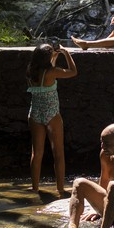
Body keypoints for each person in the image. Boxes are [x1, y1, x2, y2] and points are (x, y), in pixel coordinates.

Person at [26, 42, 78, 197]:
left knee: (37, 153)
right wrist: (66, 53)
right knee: (58, 153)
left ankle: (34, 187)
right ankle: (60, 189)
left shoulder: (31, 71)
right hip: (52, 115)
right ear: (47, 59)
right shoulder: (52, 72)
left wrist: (52, 57)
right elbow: (73, 72)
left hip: (35, 114)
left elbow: (46, 72)